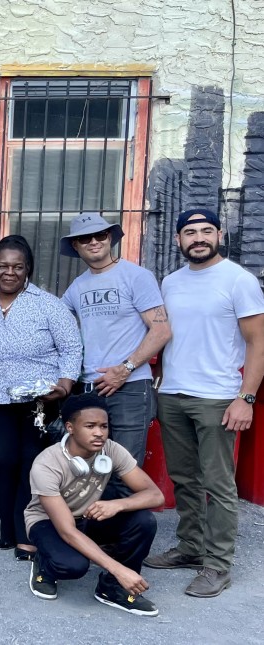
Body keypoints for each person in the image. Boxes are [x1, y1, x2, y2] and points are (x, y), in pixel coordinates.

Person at [144, 208, 264, 598]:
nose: (198, 238)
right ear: (179, 240)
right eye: (190, 232)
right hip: (174, 394)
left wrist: (246, 398)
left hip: (218, 398)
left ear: (220, 234)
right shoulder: (171, 282)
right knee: (185, 480)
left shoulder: (239, 281)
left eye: (206, 231)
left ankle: (217, 565)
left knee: (219, 484)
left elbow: (257, 343)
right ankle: (191, 549)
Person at [0, 235, 81, 561]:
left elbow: (71, 347)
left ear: (28, 269)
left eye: (17, 266)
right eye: (3, 266)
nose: (9, 272)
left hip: (39, 401)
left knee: (32, 466)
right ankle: (8, 526)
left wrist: (65, 385)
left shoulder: (48, 305)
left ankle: (25, 534)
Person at [59, 213, 171, 499]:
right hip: (91, 389)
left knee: (125, 470)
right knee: (90, 471)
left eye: (101, 235)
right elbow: (55, 329)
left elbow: (161, 331)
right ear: (76, 247)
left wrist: (125, 368)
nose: (94, 242)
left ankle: (122, 542)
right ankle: (96, 541)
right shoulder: (76, 287)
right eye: (85, 238)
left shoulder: (137, 276)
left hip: (131, 387)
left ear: (111, 238)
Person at [25, 394, 165, 616]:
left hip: (88, 516)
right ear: (70, 427)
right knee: (73, 566)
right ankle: (44, 564)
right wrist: (119, 569)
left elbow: (156, 495)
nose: (99, 433)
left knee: (144, 521)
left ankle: (112, 589)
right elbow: (68, 531)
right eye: (90, 426)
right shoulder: (47, 463)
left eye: (104, 426)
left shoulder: (111, 450)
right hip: (49, 522)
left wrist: (118, 504)